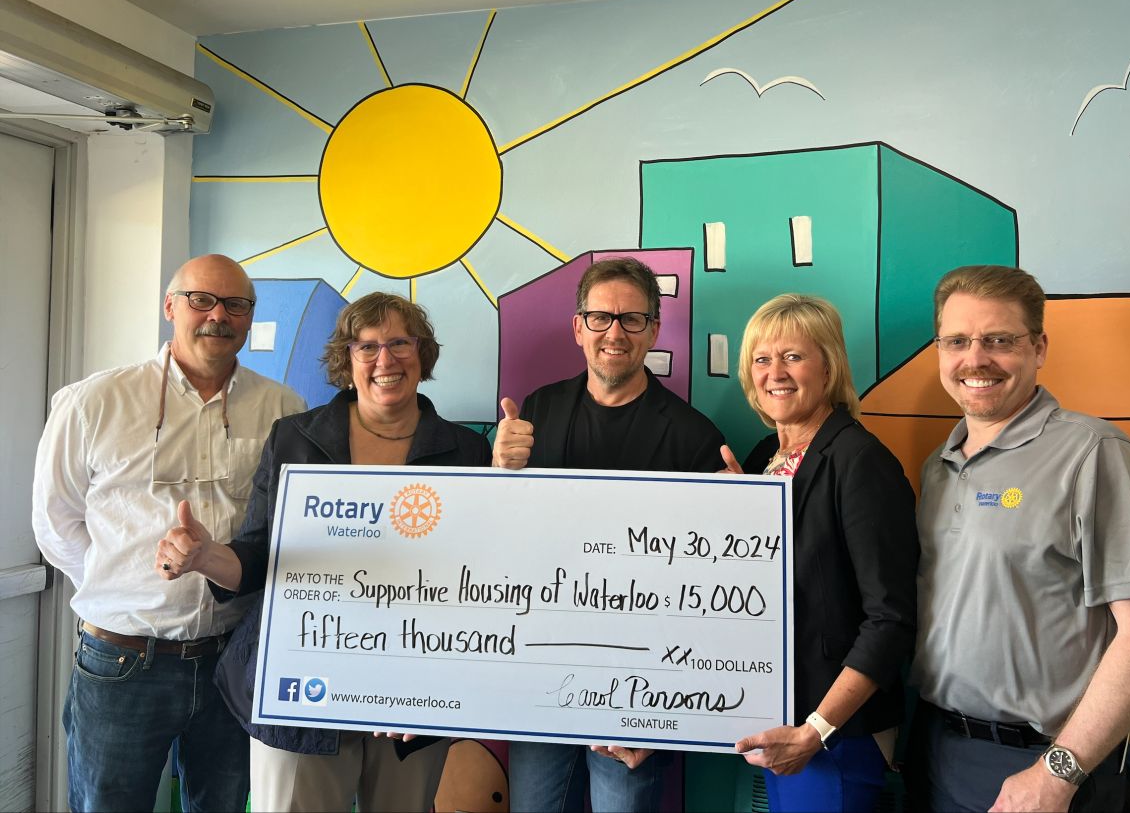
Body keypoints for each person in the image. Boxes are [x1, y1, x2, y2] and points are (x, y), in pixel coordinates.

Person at [155, 292, 491, 812]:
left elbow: (478, 574)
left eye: (400, 343)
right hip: (302, 685)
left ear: (422, 354)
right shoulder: (296, 439)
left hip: (416, 689)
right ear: (347, 358)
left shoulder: (467, 452)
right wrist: (203, 558)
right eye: (368, 346)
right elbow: (259, 553)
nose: (385, 360)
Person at [31, 254, 305, 812]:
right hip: (124, 662)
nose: (217, 316)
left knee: (223, 805)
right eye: (201, 300)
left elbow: (283, 529)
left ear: (250, 318)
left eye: (235, 304)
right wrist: (126, 586)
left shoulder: (284, 409)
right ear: (170, 307)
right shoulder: (93, 402)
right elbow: (55, 521)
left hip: (234, 658)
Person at [906, 265, 1130, 813]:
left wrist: (1057, 774)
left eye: (1000, 340)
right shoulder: (941, 466)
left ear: (1039, 348)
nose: (975, 358)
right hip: (935, 750)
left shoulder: (1094, 455)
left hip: (1043, 767)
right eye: (957, 340)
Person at [493, 256, 725, 813]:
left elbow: (713, 591)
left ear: (654, 330)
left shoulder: (694, 438)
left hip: (639, 687)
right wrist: (498, 473)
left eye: (632, 319)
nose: (614, 332)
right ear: (578, 328)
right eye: (599, 318)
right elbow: (501, 542)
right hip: (541, 667)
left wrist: (734, 518)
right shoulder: (536, 413)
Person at [718, 294, 918, 813]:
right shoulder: (766, 457)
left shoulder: (860, 462)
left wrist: (818, 729)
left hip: (835, 733)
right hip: (779, 718)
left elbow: (890, 620)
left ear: (828, 368)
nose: (775, 373)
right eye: (762, 359)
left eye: (793, 356)